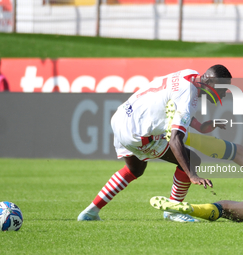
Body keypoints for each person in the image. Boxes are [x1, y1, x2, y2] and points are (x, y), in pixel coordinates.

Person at [78, 64, 232, 222]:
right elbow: (174, 139)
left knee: (135, 169)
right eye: (223, 88)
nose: (224, 94)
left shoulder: (190, 75)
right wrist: (191, 174)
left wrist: (200, 126)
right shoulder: (188, 95)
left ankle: (90, 212)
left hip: (122, 117)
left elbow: (173, 106)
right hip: (136, 132)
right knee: (192, 160)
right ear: (211, 82)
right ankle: (173, 210)